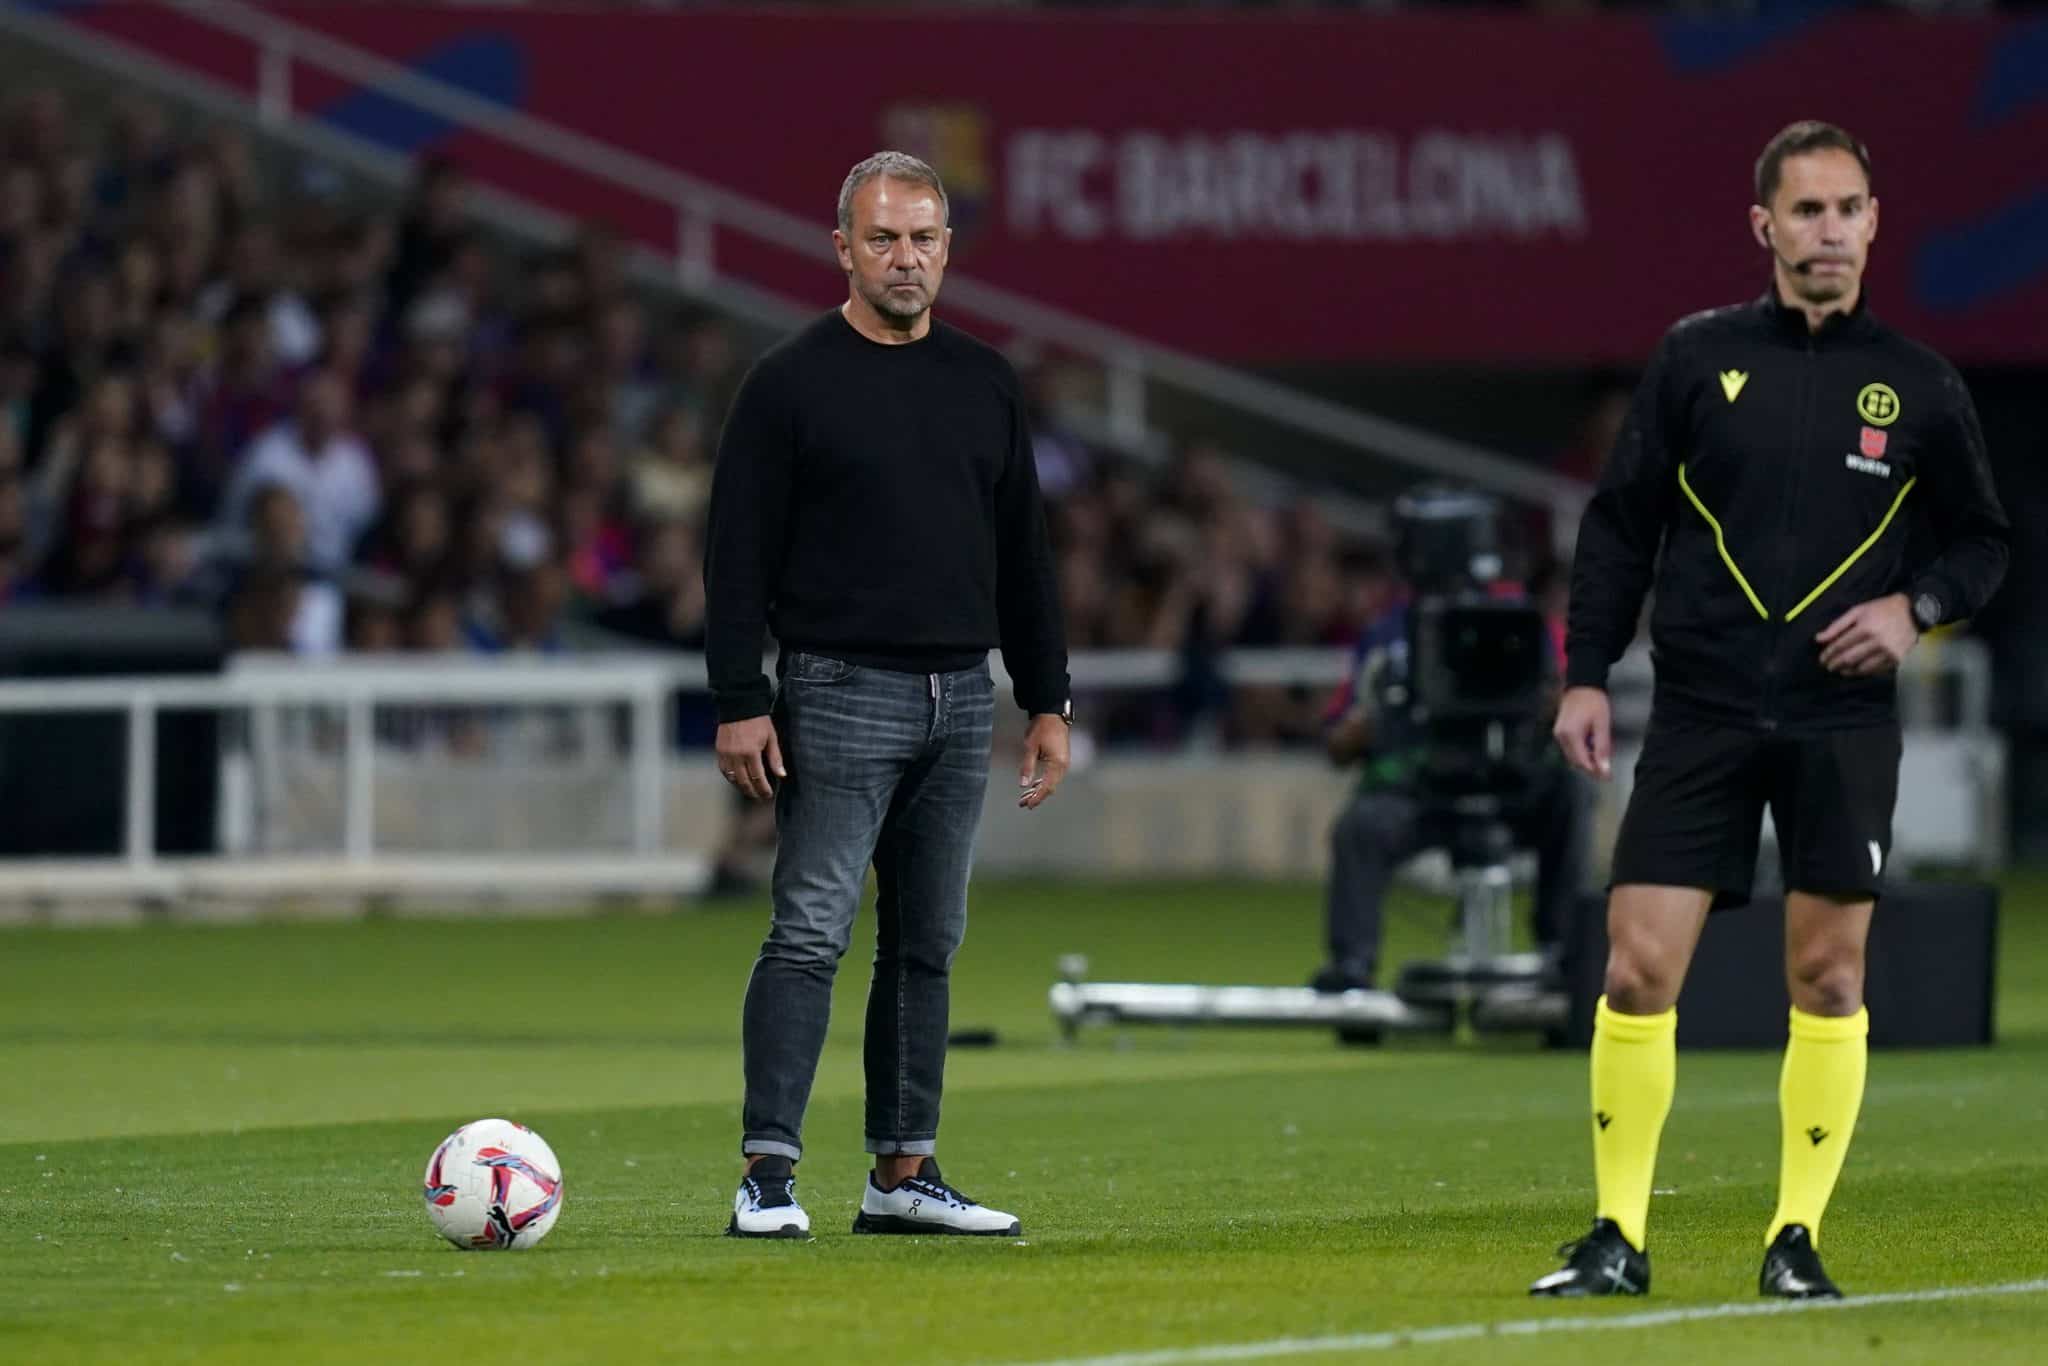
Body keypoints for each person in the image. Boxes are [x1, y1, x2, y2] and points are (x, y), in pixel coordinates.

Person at [1532, 122, 2009, 1300]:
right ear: (1763, 227)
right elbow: (1618, 525)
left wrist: (1916, 608)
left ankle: (1793, 1239)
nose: (1829, 231)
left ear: (1872, 222)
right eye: (1805, 211)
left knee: (1828, 980)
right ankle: (1614, 1235)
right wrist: (1585, 671)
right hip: (1698, 708)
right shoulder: (1694, 361)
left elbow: (1983, 539)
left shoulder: (1919, 385)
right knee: (1636, 972)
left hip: (1838, 719)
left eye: (1847, 209)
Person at [704, 151, 1071, 1239]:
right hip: (834, 685)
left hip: (961, 696)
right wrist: (738, 694)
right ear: (842, 249)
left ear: (947, 249)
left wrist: (1044, 696)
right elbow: (735, 557)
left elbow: (1025, 558)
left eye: (921, 238)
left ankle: (899, 1172)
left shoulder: (984, 381)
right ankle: (766, 1175)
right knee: (809, 928)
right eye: (881, 238)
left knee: (925, 941)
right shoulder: (787, 382)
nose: (902, 258)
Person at [1310, 493, 1591, 1000]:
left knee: (1569, 794)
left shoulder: (1524, 625)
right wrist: (1364, 728)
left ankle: (1563, 953)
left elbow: (1569, 702)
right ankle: (1352, 964)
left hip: (1508, 783)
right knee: (1360, 826)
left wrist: (1550, 705)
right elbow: (1337, 740)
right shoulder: (1389, 634)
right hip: (1423, 790)